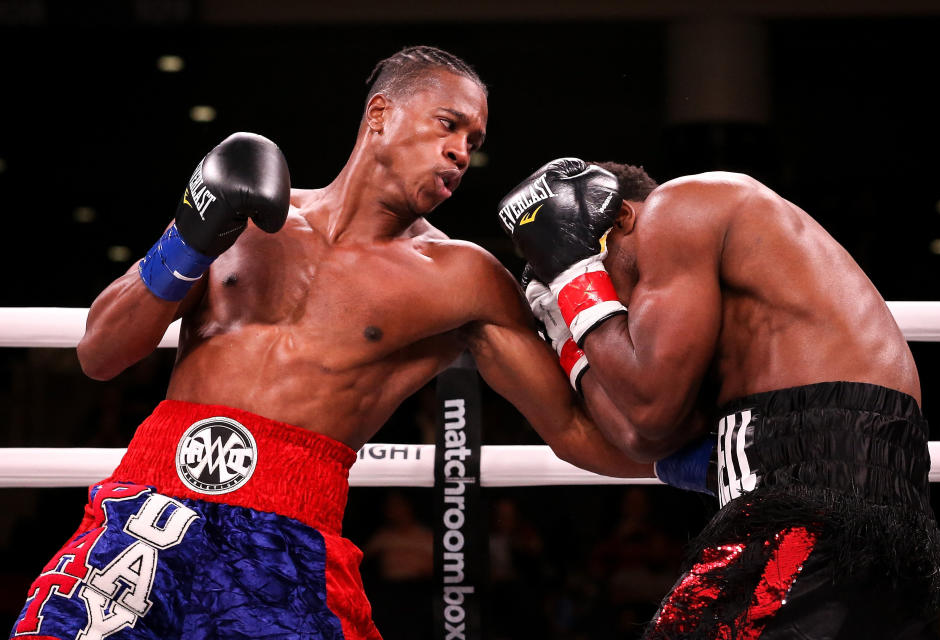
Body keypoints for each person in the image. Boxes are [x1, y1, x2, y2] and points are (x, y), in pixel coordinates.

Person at [9, 49, 655, 640]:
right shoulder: (246, 219)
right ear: (381, 114)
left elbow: (576, 430)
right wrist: (191, 232)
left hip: (286, 543)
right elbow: (100, 353)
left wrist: (702, 459)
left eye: (474, 140)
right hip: (145, 511)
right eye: (448, 125)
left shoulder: (461, 279)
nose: (462, 151)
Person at [497, 158, 940, 638]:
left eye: (601, 271)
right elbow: (639, 433)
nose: (613, 303)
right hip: (860, 501)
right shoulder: (736, 327)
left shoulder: (682, 204)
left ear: (621, 220)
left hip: (809, 497)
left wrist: (574, 279)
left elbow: (650, 409)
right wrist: (569, 336)